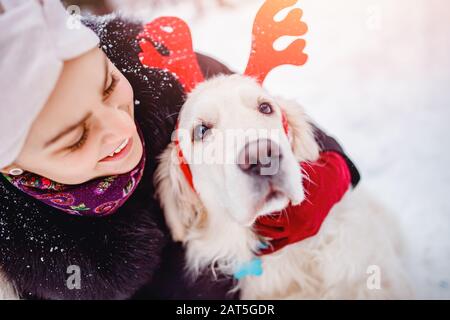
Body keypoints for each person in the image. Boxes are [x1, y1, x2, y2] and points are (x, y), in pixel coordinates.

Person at [0, 0, 359, 300]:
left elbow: (267, 111)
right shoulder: (21, 273)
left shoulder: (160, 62)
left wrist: (330, 172)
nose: (124, 129)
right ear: (12, 166)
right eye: (76, 137)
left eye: (109, 86)